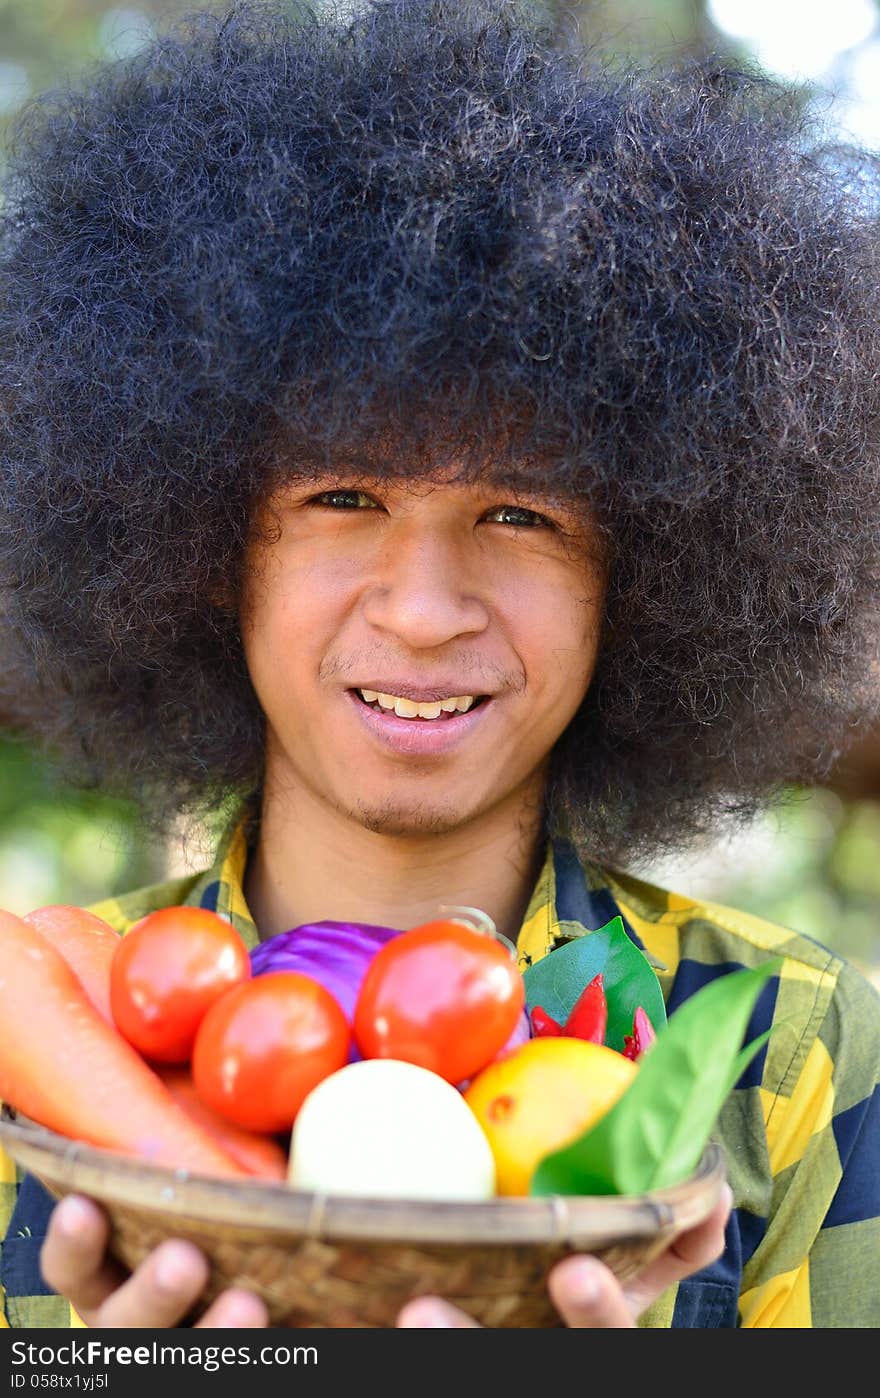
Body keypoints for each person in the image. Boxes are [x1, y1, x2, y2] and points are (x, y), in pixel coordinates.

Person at [1, 0, 879, 1331]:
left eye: (520, 513)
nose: (422, 610)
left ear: (641, 578)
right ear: (197, 546)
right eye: (344, 497)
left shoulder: (798, 1051)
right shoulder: (49, 1032)